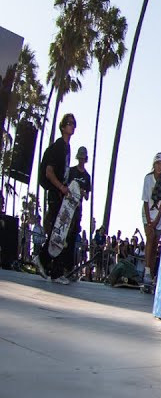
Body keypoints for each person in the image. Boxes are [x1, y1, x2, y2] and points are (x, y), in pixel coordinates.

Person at [35, 114, 77, 283]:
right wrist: (61, 188)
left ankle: (52, 268)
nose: (72, 127)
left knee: (61, 232)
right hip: (55, 193)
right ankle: (47, 264)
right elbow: (49, 172)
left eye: (74, 124)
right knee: (57, 232)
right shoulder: (59, 146)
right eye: (69, 124)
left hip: (61, 194)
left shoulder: (67, 148)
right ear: (62, 126)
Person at [140, 151, 161, 292]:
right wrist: (148, 221)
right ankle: (146, 271)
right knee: (150, 238)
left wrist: (156, 220)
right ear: (154, 165)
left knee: (155, 243)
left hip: (159, 215)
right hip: (148, 213)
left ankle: (151, 273)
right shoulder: (148, 178)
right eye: (157, 163)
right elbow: (145, 201)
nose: (159, 166)